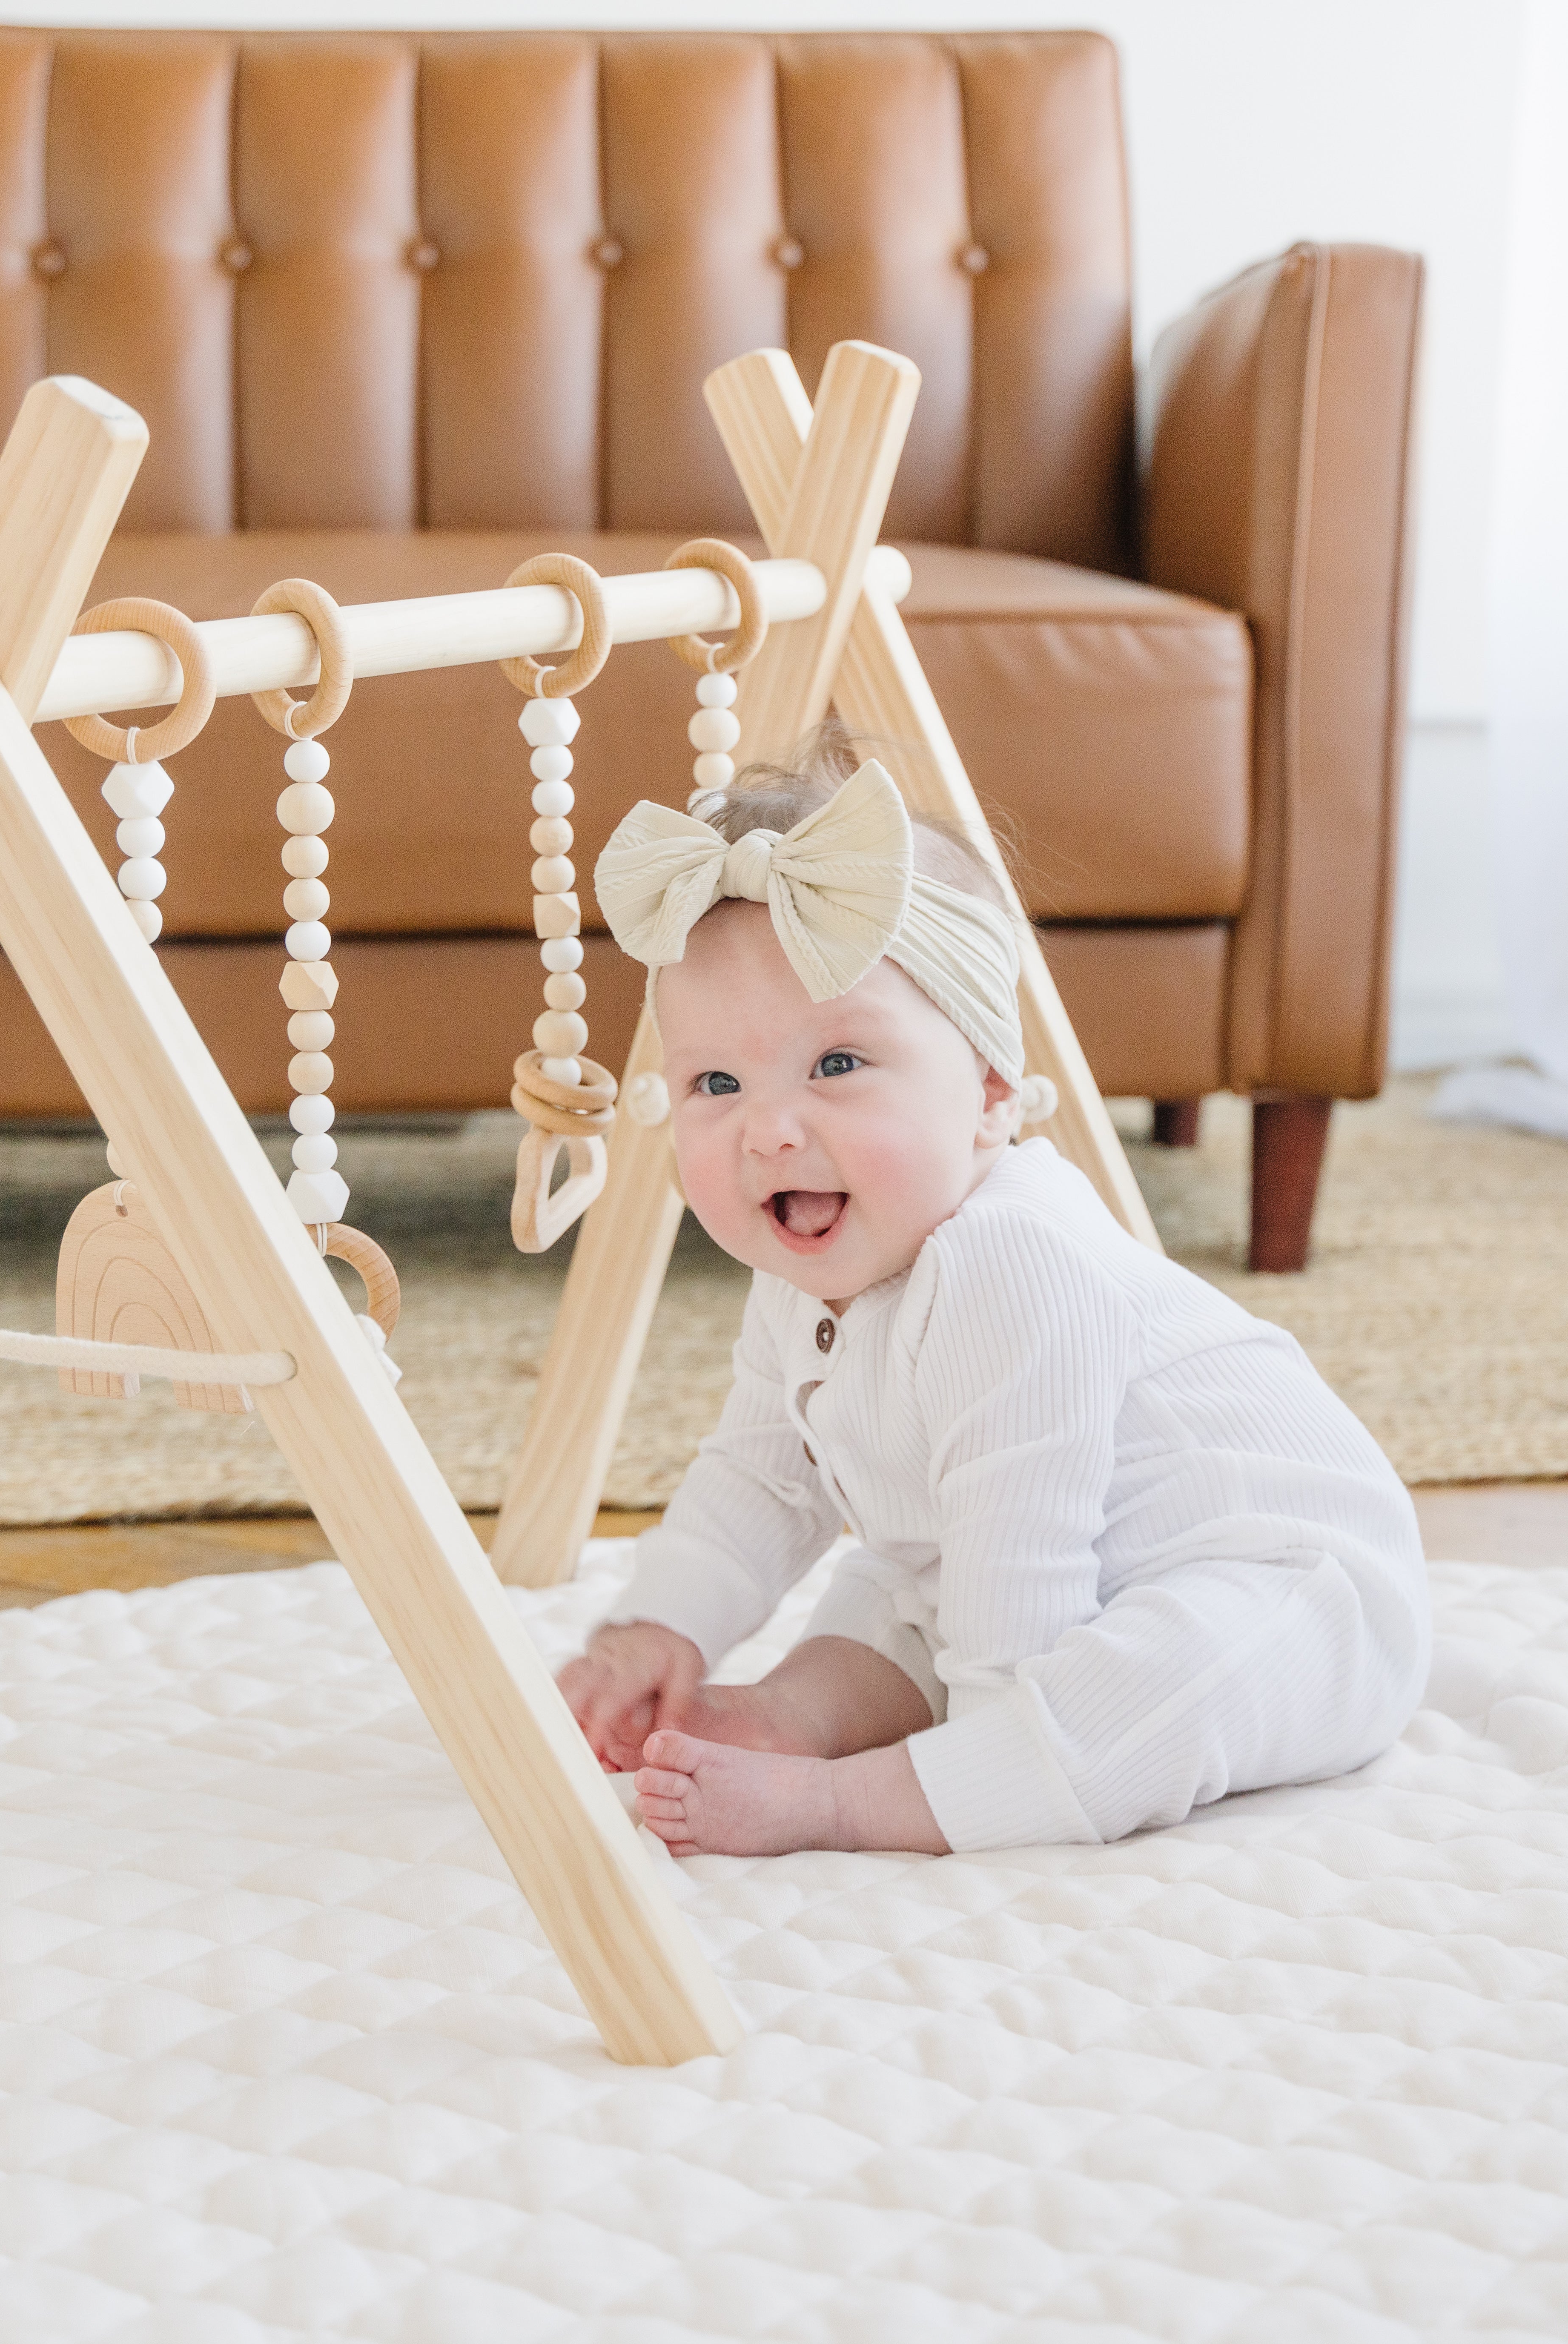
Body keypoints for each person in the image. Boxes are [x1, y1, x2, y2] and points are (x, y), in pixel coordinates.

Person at [558, 742, 1431, 1859]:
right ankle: (786, 1719)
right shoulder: (802, 1284)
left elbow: (1022, 1583)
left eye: (836, 1066)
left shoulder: (1013, 1262)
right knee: (896, 1580)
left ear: (987, 1098)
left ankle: (852, 1799)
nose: (768, 1128)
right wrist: (660, 1628)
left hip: (1284, 1592)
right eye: (716, 1084)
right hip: (1018, 1565)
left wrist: (977, 1777)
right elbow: (760, 1481)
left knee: (1130, 1698)